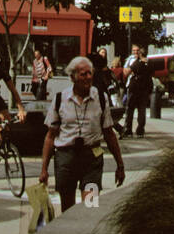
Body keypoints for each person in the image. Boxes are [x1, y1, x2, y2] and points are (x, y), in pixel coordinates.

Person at [39, 56, 125, 212]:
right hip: (66, 159)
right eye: (83, 74)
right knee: (68, 209)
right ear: (72, 77)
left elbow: (109, 134)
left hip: (92, 159)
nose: (88, 78)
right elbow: (50, 136)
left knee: (91, 207)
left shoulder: (101, 98)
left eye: (90, 73)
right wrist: (44, 169)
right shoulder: (60, 99)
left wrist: (120, 164)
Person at [125, 46, 152, 137]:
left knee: (130, 109)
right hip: (144, 88)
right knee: (141, 110)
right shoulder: (149, 63)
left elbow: (127, 72)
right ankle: (140, 130)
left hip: (134, 88)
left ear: (140, 54)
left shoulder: (137, 63)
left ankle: (128, 130)